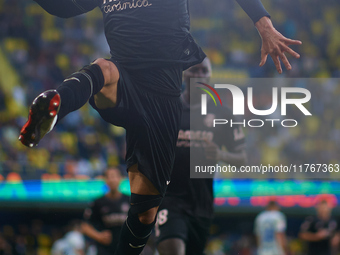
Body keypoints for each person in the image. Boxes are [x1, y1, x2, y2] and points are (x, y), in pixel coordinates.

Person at [18, 0, 301, 253]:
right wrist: (263, 24)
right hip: (157, 97)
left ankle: (60, 99)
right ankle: (57, 102)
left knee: (102, 71)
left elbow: (63, 8)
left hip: (131, 90)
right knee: (145, 214)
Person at [156, 57, 247, 255]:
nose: (199, 75)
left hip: (202, 203)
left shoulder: (224, 114)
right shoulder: (167, 109)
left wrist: (220, 153)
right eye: (194, 70)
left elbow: (242, 160)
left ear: (210, 75)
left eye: (203, 71)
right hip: (169, 198)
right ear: (183, 74)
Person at [82, 167, 130, 255]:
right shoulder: (97, 202)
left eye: (115, 176)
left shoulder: (129, 200)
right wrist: (98, 236)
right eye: (109, 177)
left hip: (126, 249)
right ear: (105, 180)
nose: (112, 180)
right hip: (104, 250)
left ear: (121, 179)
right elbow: (85, 226)